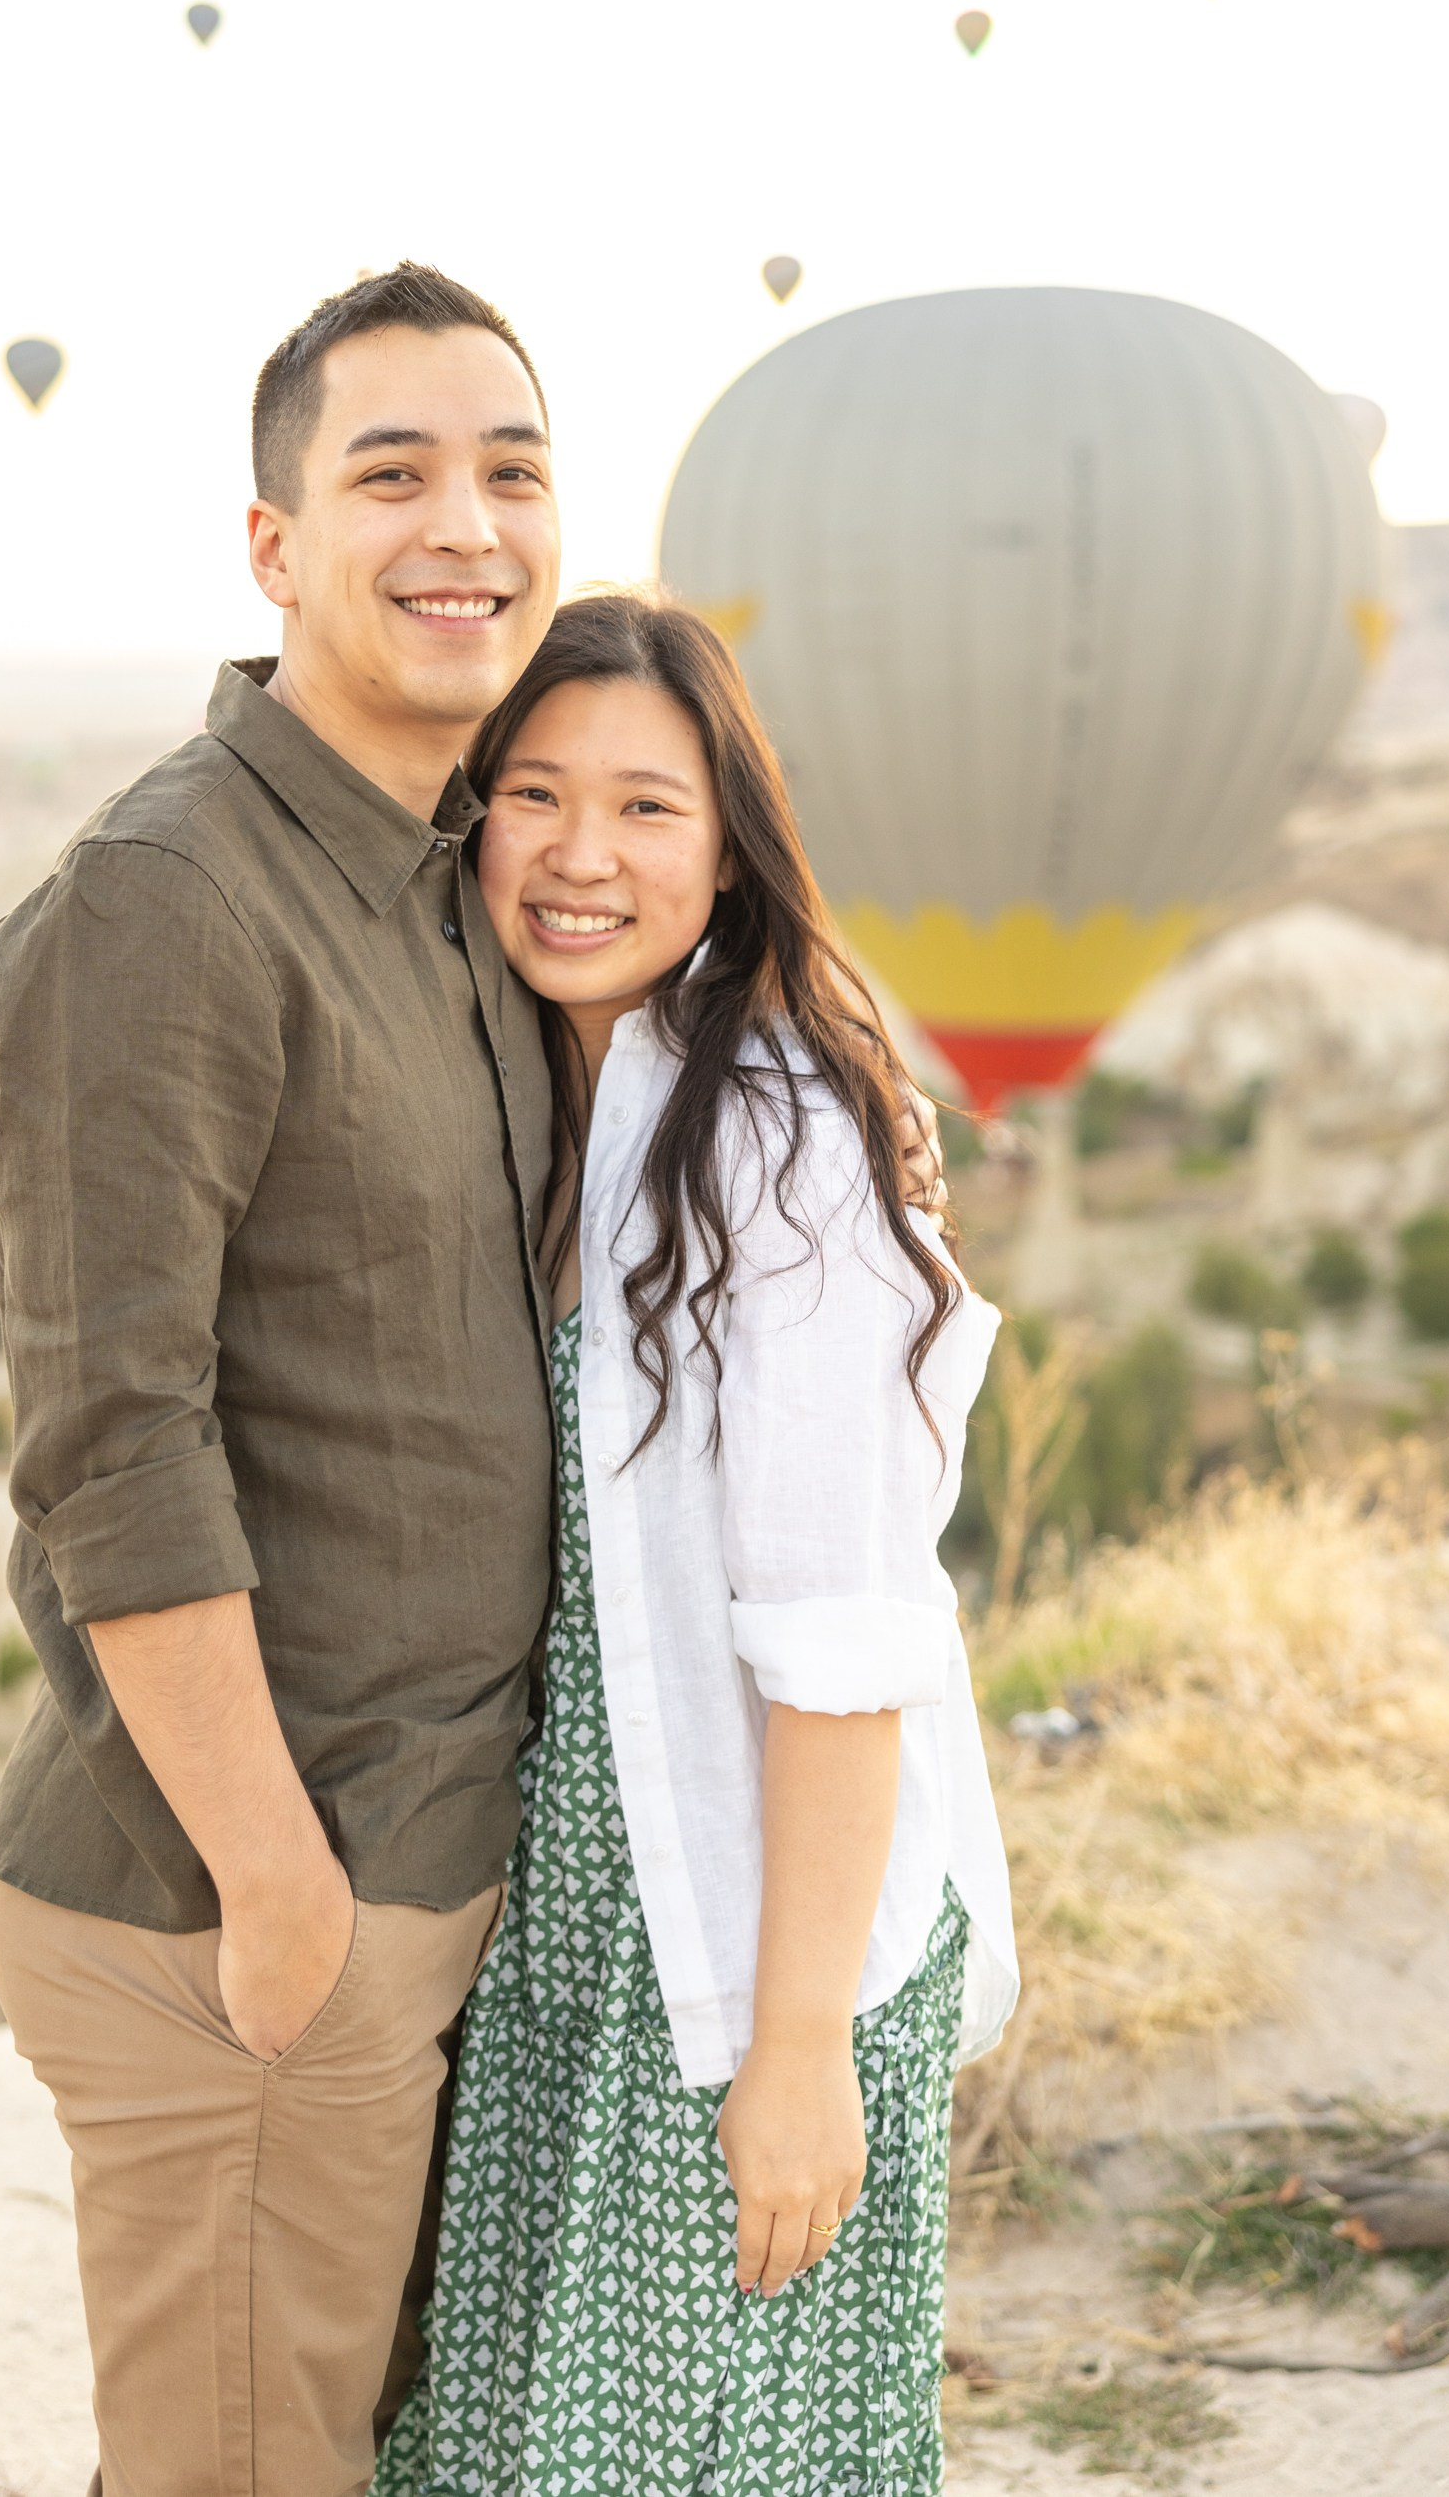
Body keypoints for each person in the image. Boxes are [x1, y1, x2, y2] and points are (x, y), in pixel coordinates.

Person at [0, 266, 946, 2497]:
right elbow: (116, 1452)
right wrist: (287, 1906)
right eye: (389, 470)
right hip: (250, 1903)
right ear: (272, 542)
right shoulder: (167, 902)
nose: (467, 524)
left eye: (514, 471)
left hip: (451, 1907)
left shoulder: (454, 904)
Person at [376, 592, 1017, 2497]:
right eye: (536, 795)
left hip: (747, 1948)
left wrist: (796, 2048)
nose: (582, 855)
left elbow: (843, 1637)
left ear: (730, 842)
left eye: (648, 808)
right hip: (583, 1924)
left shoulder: (774, 1134)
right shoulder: (551, 1102)